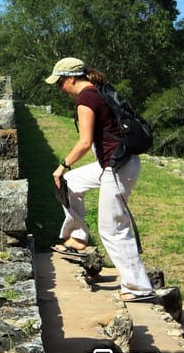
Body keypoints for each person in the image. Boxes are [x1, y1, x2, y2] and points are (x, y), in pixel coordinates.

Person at [45, 57, 155, 302]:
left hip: (118, 167)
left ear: (71, 78)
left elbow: (85, 142)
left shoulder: (86, 99)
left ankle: (139, 287)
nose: (60, 88)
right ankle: (78, 237)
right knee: (71, 183)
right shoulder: (99, 91)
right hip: (116, 163)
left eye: (60, 83)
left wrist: (62, 166)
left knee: (113, 228)